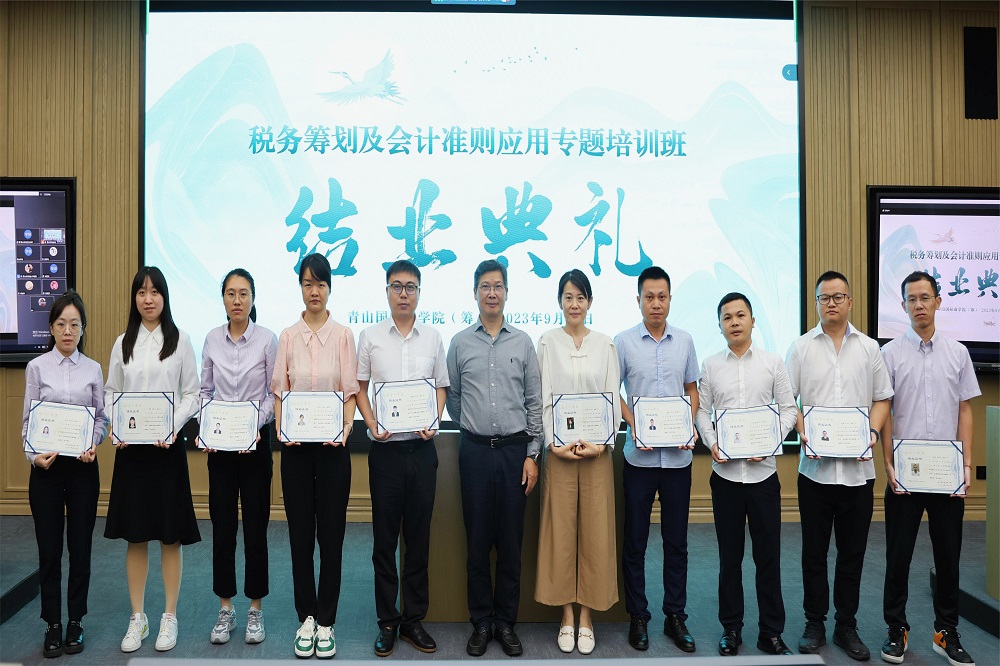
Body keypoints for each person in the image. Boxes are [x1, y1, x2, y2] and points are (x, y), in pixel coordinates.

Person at [786, 270, 892, 661]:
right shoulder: (801, 348)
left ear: (850, 301)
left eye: (838, 296)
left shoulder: (869, 348)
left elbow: (882, 398)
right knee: (813, 553)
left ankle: (846, 625)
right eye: (824, 297)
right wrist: (804, 432)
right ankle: (814, 622)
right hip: (814, 472)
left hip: (858, 473)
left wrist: (873, 433)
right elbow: (787, 400)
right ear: (816, 303)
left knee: (852, 553)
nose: (831, 303)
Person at [879, 271, 981, 666]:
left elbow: (964, 410)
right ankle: (896, 629)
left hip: (946, 474)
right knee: (897, 557)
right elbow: (885, 412)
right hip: (904, 475)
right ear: (903, 305)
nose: (919, 305)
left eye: (925, 297)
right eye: (912, 299)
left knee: (949, 557)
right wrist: (888, 464)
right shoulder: (889, 354)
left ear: (938, 301)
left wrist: (967, 463)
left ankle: (946, 632)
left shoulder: (958, 353)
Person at [447, 259, 542, 657]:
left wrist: (532, 454)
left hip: (514, 454)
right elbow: (453, 400)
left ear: (506, 292)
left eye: (498, 286)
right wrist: (475, 427)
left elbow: (534, 403)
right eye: (484, 286)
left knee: (510, 542)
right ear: (475, 293)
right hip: (473, 453)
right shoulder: (459, 343)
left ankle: (505, 622)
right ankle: (481, 622)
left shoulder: (523, 342)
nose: (491, 293)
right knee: (477, 543)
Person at [104, 267, 201, 654]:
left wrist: (171, 426)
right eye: (142, 292)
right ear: (134, 298)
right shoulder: (122, 342)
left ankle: (169, 615)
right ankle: (138, 617)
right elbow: (110, 392)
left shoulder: (180, 340)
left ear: (164, 297)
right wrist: (116, 424)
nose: (148, 299)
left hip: (166, 450)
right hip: (132, 453)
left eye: (155, 292)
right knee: (136, 534)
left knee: (170, 535)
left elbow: (193, 394)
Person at [695, 293, 798, 657]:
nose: (735, 322)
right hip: (725, 477)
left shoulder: (773, 363)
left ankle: (771, 632)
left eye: (741, 315)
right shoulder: (710, 366)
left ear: (753, 321)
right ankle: (731, 628)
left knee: (768, 557)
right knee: (730, 558)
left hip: (763, 476)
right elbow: (702, 412)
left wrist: (770, 441)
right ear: (720, 325)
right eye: (727, 317)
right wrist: (711, 442)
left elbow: (789, 410)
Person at [355, 260, 448, 657]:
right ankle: (388, 621)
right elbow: (360, 387)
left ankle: (413, 619)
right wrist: (371, 422)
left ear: (419, 292)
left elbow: (441, 387)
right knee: (384, 541)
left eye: (411, 287)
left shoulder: (433, 338)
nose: (404, 293)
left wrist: (434, 419)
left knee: (418, 539)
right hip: (386, 454)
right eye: (397, 286)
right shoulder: (370, 336)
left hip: (422, 452)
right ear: (387, 291)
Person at [271, 253, 359, 659]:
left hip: (332, 452)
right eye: (308, 284)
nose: (314, 291)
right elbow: (280, 391)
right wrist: (282, 429)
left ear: (329, 288)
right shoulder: (288, 336)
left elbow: (349, 391)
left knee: (332, 536)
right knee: (301, 536)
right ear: (300, 288)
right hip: (296, 453)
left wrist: (345, 429)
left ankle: (327, 621)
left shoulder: (343, 336)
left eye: (321, 284)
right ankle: (305, 617)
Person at [534, 269, 621, 655]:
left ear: (590, 302)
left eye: (580, 297)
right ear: (560, 301)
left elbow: (612, 398)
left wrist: (601, 444)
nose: (574, 304)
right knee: (561, 533)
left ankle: (587, 616)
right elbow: (543, 397)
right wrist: (553, 444)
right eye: (568, 297)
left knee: (595, 534)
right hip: (560, 454)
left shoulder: (605, 344)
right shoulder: (547, 342)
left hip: (596, 453)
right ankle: (566, 615)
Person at [615, 266, 699, 653]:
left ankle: (675, 616)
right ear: (638, 300)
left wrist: (687, 424)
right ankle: (638, 616)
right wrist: (635, 425)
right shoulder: (623, 342)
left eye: (662, 296)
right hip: (640, 459)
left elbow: (691, 389)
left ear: (670, 299)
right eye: (649, 297)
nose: (656, 303)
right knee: (635, 542)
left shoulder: (685, 341)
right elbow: (612, 391)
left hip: (678, 461)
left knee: (676, 542)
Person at [21, 290, 107, 658]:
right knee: (49, 549)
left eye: (74, 324)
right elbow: (28, 422)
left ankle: (76, 621)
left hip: (83, 468)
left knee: (81, 548)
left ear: (83, 328)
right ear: (51, 328)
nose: (68, 331)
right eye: (61, 324)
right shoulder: (37, 368)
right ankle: (52, 623)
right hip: (48, 470)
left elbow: (101, 418)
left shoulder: (93, 369)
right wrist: (33, 456)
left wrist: (94, 442)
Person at [200, 268, 278, 646]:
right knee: (223, 529)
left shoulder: (267, 340)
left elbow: (274, 395)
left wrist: (252, 425)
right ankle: (226, 607)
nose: (237, 300)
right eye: (231, 293)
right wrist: (208, 427)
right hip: (221, 451)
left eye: (243, 293)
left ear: (252, 298)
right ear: (223, 299)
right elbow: (204, 392)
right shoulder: (211, 339)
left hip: (255, 447)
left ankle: (255, 609)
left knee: (256, 530)